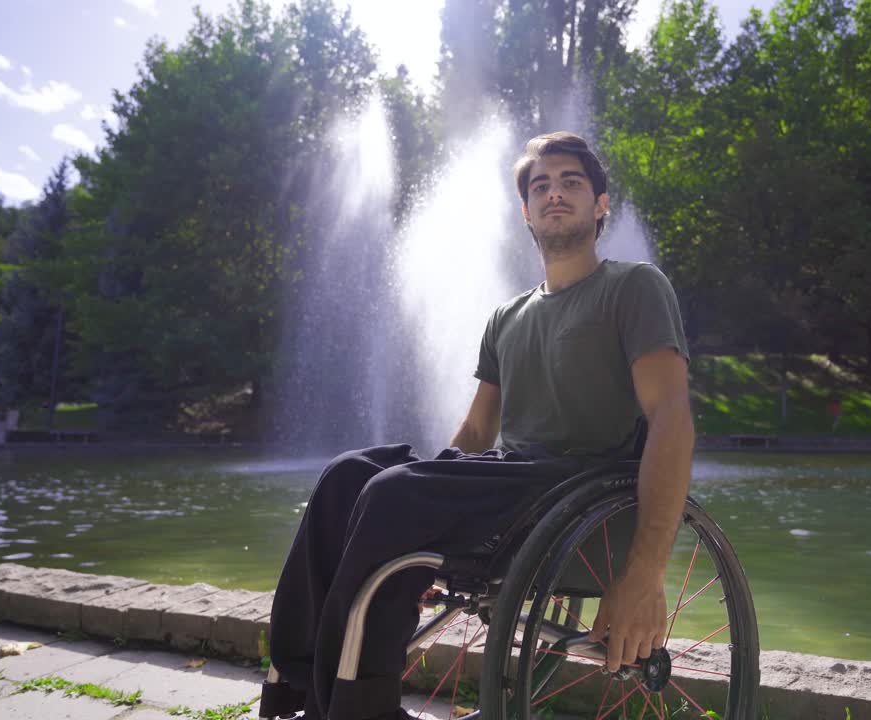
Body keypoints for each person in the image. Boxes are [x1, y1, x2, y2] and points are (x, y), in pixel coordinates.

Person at [266, 132, 694, 720]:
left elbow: (671, 419)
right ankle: (298, 687)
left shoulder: (634, 287)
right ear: (525, 213)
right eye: (540, 186)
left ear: (601, 205)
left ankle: (358, 707)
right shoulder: (507, 316)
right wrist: (431, 492)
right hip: (509, 488)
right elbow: (474, 433)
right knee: (347, 476)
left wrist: (645, 574)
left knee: (394, 495)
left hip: (580, 494)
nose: (554, 194)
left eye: (572, 182)